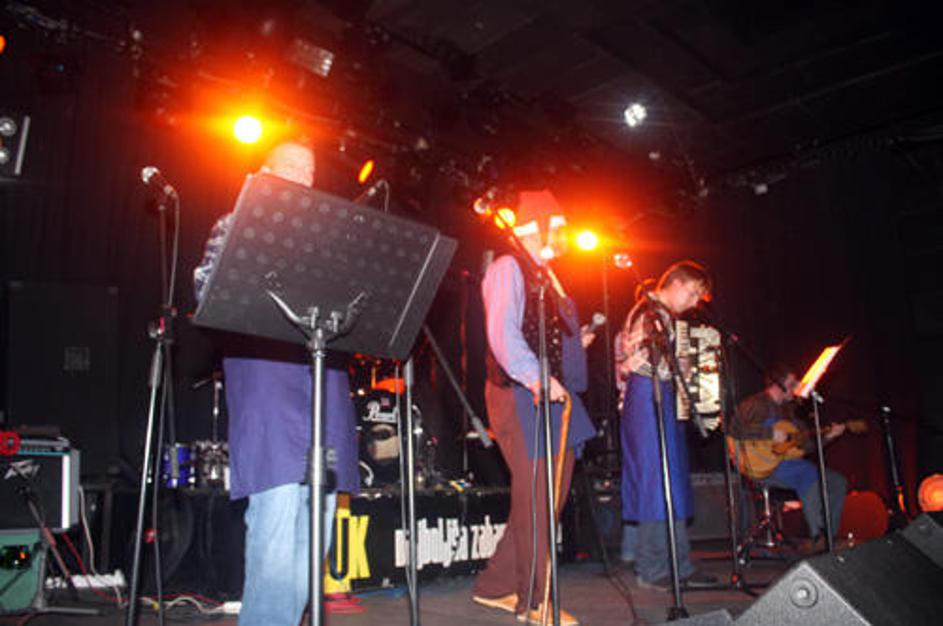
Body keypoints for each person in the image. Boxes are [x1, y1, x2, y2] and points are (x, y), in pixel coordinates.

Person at [193, 140, 359, 626]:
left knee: (318, 519)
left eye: (309, 170)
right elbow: (205, 291)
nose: (303, 177)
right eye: (291, 166)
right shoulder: (236, 224)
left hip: (324, 387)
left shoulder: (330, 242)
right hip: (269, 383)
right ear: (263, 174)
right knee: (277, 514)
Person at [471, 190, 596, 626]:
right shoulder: (509, 266)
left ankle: (494, 586)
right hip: (523, 393)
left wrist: (574, 346)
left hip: (548, 394)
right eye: (558, 227)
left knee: (541, 497)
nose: (564, 236)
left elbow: (541, 335)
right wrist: (537, 375)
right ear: (539, 226)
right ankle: (534, 600)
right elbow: (503, 333)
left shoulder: (544, 274)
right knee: (539, 498)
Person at [614, 261, 715, 590]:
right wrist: (678, 367)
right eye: (693, 293)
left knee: (669, 481)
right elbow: (638, 362)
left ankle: (678, 563)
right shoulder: (648, 313)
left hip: (656, 397)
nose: (694, 301)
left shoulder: (659, 315)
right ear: (676, 283)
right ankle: (653, 567)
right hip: (648, 398)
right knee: (656, 483)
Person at [731, 363, 848, 552]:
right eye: (792, 383)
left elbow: (806, 446)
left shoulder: (789, 411)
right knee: (807, 472)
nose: (796, 388)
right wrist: (769, 433)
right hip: (760, 467)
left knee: (837, 481)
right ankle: (817, 536)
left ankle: (829, 538)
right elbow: (736, 429)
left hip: (785, 464)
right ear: (778, 384)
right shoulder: (755, 404)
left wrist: (828, 437)